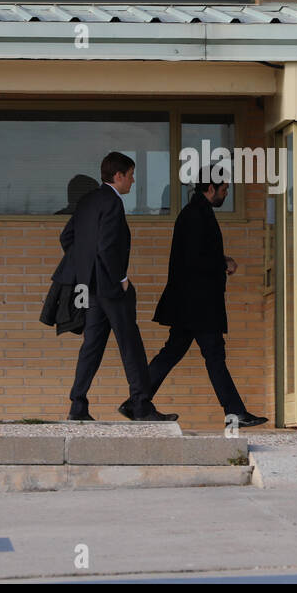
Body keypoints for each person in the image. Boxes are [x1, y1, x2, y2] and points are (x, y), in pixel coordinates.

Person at [119, 173, 268, 429]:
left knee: (173, 352)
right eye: (224, 189)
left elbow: (198, 253)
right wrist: (223, 261)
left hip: (190, 303)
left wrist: (221, 259)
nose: (226, 193)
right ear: (211, 187)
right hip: (198, 303)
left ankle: (137, 402)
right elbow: (196, 258)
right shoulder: (196, 214)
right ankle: (235, 412)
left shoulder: (195, 212)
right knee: (213, 354)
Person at [55, 152, 174, 422]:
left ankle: (77, 405)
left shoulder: (87, 201)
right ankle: (141, 406)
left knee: (92, 346)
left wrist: (87, 269)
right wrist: (121, 279)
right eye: (131, 176)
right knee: (130, 344)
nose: (132, 182)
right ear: (118, 176)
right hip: (111, 287)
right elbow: (107, 246)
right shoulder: (112, 203)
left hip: (92, 287)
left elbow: (67, 238)